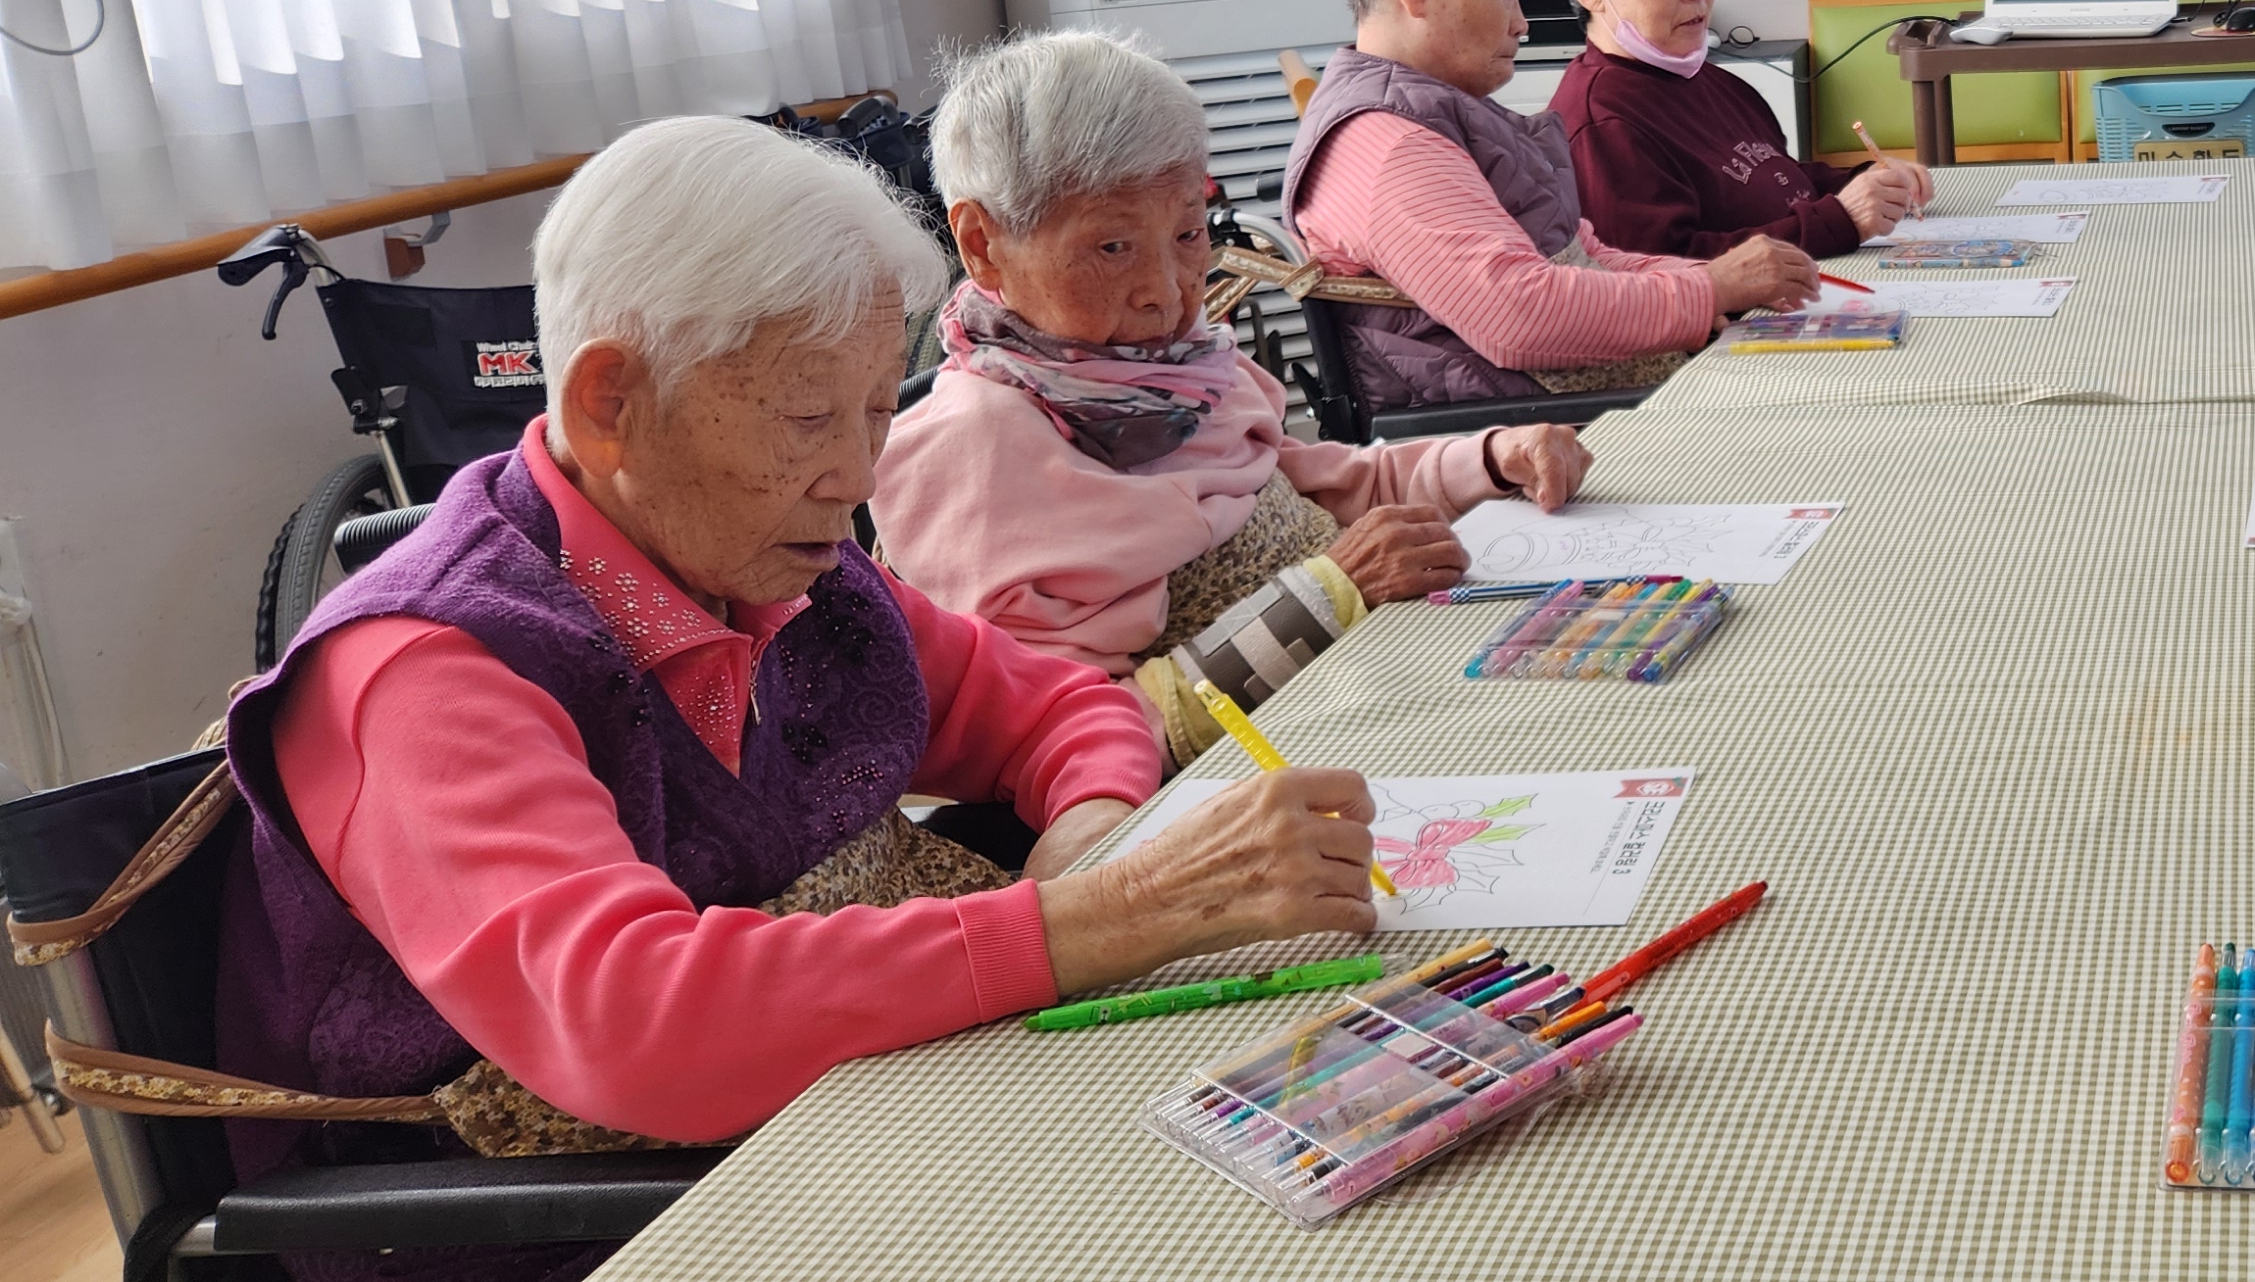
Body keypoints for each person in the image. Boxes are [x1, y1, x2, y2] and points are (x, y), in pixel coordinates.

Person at [210, 118, 1387, 1277]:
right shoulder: (428, 669)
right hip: (578, 1229)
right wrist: (1108, 915)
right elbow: (635, 1023)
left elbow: (1058, 709)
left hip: (851, 1129)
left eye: (877, 410)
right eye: (810, 418)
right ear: (610, 404)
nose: (859, 476)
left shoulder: (779, 571)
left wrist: (1090, 832)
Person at [874, 30, 1593, 753]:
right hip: (1269, 779)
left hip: (1377, 686)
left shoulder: (1177, 371)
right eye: (1112, 247)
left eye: (1189, 235)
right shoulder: (974, 452)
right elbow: (1070, 740)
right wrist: (1327, 597)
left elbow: (1331, 487)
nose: (1166, 293)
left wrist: (1492, 459)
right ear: (982, 243)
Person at [1284, 0, 1821, 413]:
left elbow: (1584, 256)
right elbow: (1518, 315)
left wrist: (1723, 279)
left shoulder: (1434, 116)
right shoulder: (1389, 145)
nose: (1522, 22)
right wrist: (1712, 289)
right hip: (1547, 433)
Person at [1545, 0, 1930, 259]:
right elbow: (1661, 269)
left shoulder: (1713, 82)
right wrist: (1839, 220)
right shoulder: (1601, 125)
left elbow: (1775, 183)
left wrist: (1862, 181)